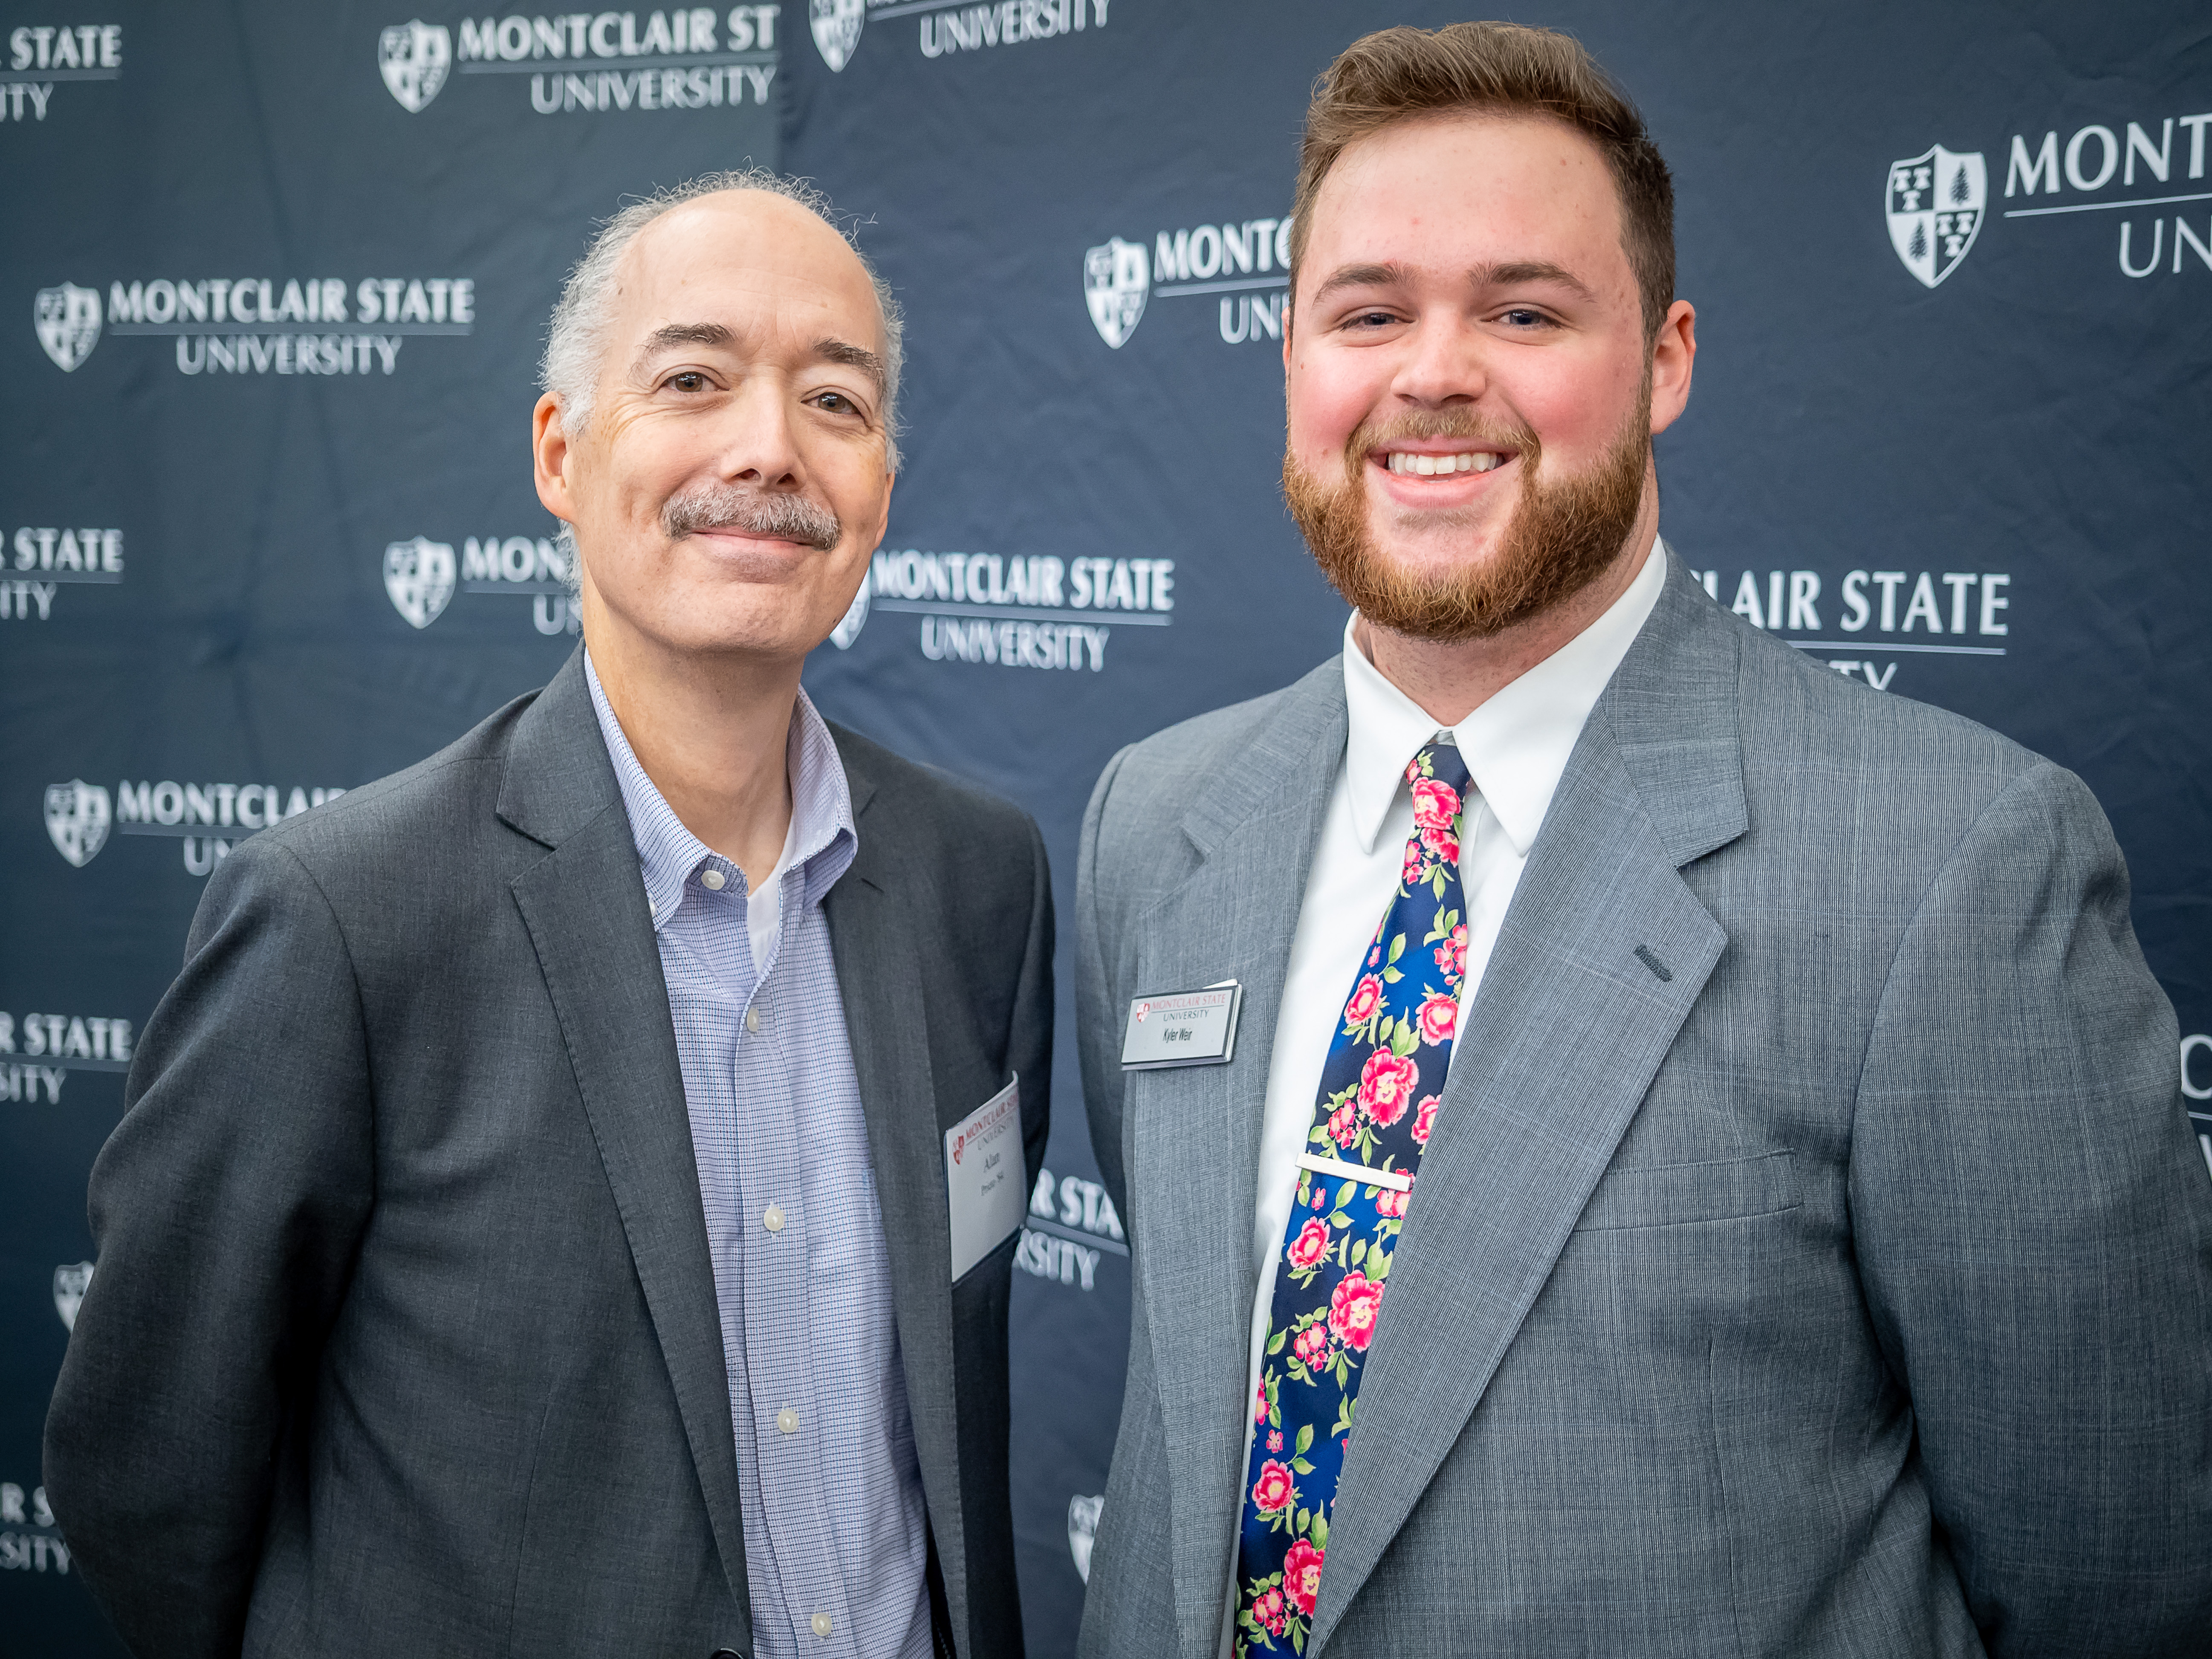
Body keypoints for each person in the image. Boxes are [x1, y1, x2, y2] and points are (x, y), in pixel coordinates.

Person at [1075, 24, 2212, 1659]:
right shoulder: (1158, 823)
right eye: (1368, 313)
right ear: (1294, 356)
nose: (1433, 373)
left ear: (1667, 359)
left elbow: (2117, 1578)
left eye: (1524, 312)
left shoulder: (1953, 872)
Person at [46, 171, 1050, 1659]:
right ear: (562, 455)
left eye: (834, 401)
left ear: (883, 491)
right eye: (693, 379)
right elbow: (149, 1478)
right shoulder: (343, 920)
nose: (769, 446)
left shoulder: (983, 881)